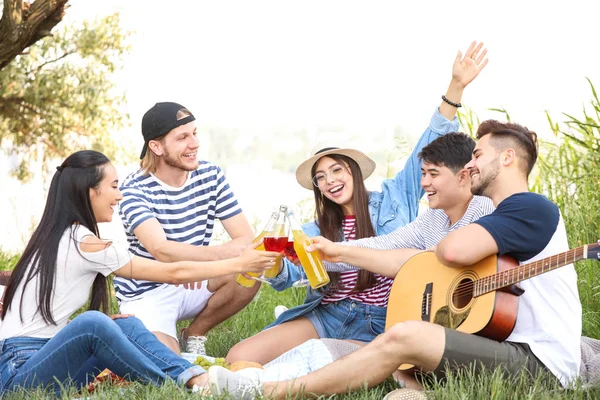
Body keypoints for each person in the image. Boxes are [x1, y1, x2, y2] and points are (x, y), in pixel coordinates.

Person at [207, 119, 582, 399]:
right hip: (499, 343)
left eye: (477, 156)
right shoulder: (489, 214)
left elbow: (448, 253)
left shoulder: (530, 207)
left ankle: (271, 391)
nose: (471, 165)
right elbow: (394, 251)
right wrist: (336, 250)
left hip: (539, 361)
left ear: (508, 157)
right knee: (407, 342)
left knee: (403, 334)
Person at [226, 41, 489, 366]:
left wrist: (456, 87)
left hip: (382, 317)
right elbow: (289, 275)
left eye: (336, 169)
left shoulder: (394, 199)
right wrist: (276, 263)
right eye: (320, 177)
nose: (330, 181)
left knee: (308, 365)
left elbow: (431, 149)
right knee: (239, 356)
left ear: (353, 170)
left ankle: (347, 358)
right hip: (329, 313)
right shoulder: (314, 229)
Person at [0, 150, 277, 395]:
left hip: (46, 362)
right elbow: (174, 272)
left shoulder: (58, 234)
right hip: (19, 374)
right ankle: (191, 384)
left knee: (125, 323)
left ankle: (196, 377)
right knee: (94, 322)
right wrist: (240, 264)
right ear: (90, 191)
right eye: (114, 186)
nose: (119, 195)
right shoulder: (83, 242)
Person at [116, 101, 259, 356]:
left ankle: (194, 333)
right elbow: (163, 251)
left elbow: (246, 238)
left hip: (195, 281)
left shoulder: (211, 175)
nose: (194, 143)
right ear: (156, 146)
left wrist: (200, 267)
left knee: (252, 268)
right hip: (149, 291)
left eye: (194, 133)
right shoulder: (134, 189)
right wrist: (208, 261)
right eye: (182, 137)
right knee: (166, 364)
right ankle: (143, 332)